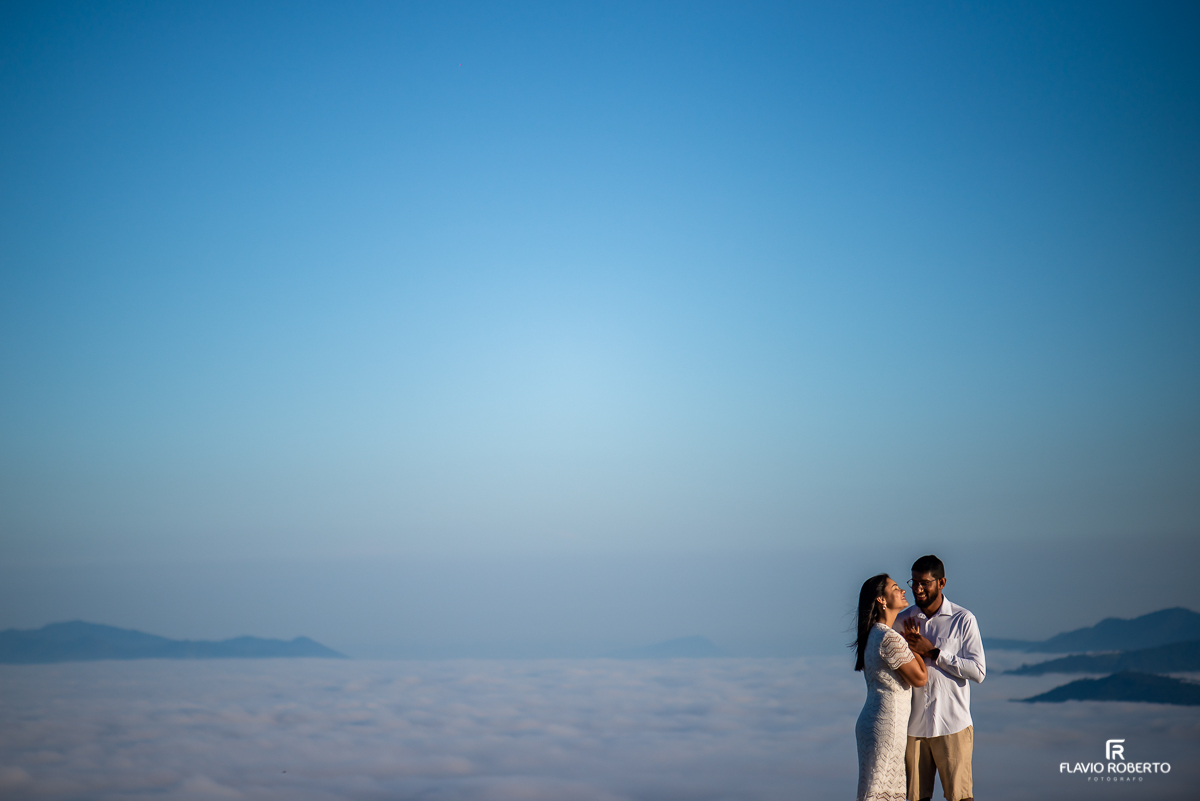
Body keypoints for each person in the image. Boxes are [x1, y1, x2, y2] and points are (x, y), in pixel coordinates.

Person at [896, 555, 985, 801]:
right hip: (913, 727)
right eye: (914, 582)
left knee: (960, 798)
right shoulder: (903, 621)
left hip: (952, 724)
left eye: (924, 583)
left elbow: (978, 671)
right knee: (913, 797)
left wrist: (934, 653)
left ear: (941, 582)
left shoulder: (963, 619)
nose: (918, 589)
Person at [854, 574, 929, 801]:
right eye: (895, 588)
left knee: (876, 789)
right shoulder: (889, 638)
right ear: (881, 600)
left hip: (876, 719)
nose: (903, 591)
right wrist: (914, 646)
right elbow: (920, 678)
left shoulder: (874, 635)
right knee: (878, 791)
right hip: (887, 723)